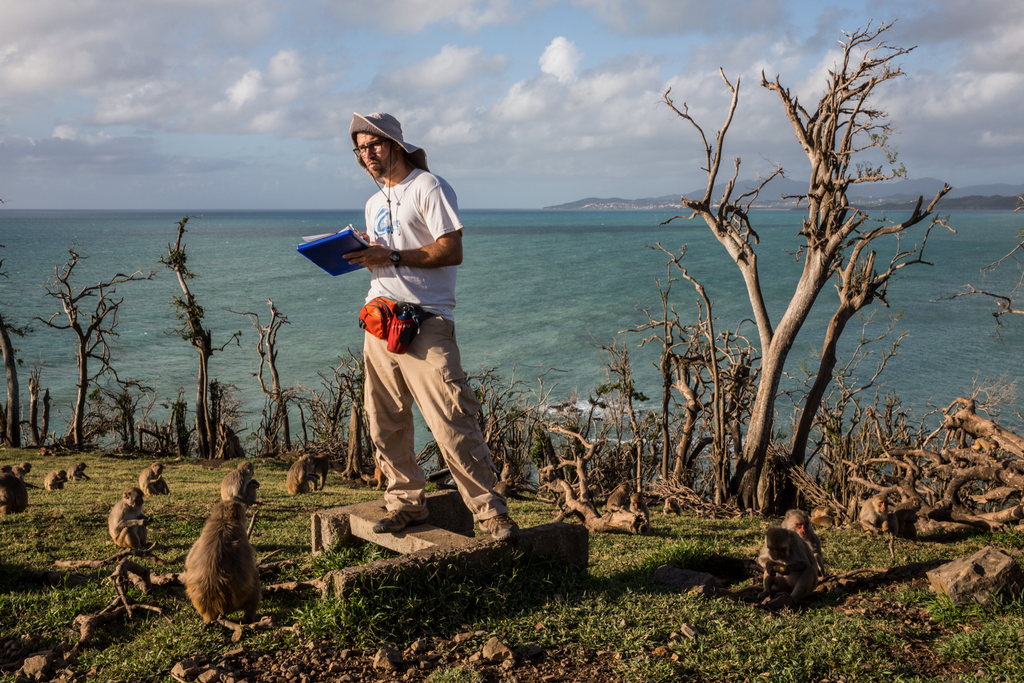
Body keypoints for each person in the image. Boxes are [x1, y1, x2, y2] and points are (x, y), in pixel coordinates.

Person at [343, 112, 518, 541]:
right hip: (380, 321)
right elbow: (388, 255)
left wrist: (394, 256)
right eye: (360, 148)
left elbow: (451, 249)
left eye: (374, 145)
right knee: (384, 422)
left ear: (395, 144)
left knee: (452, 420)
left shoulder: (428, 186)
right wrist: (367, 253)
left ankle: (490, 513)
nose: (367, 154)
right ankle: (405, 504)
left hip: (426, 321)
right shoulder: (374, 200)